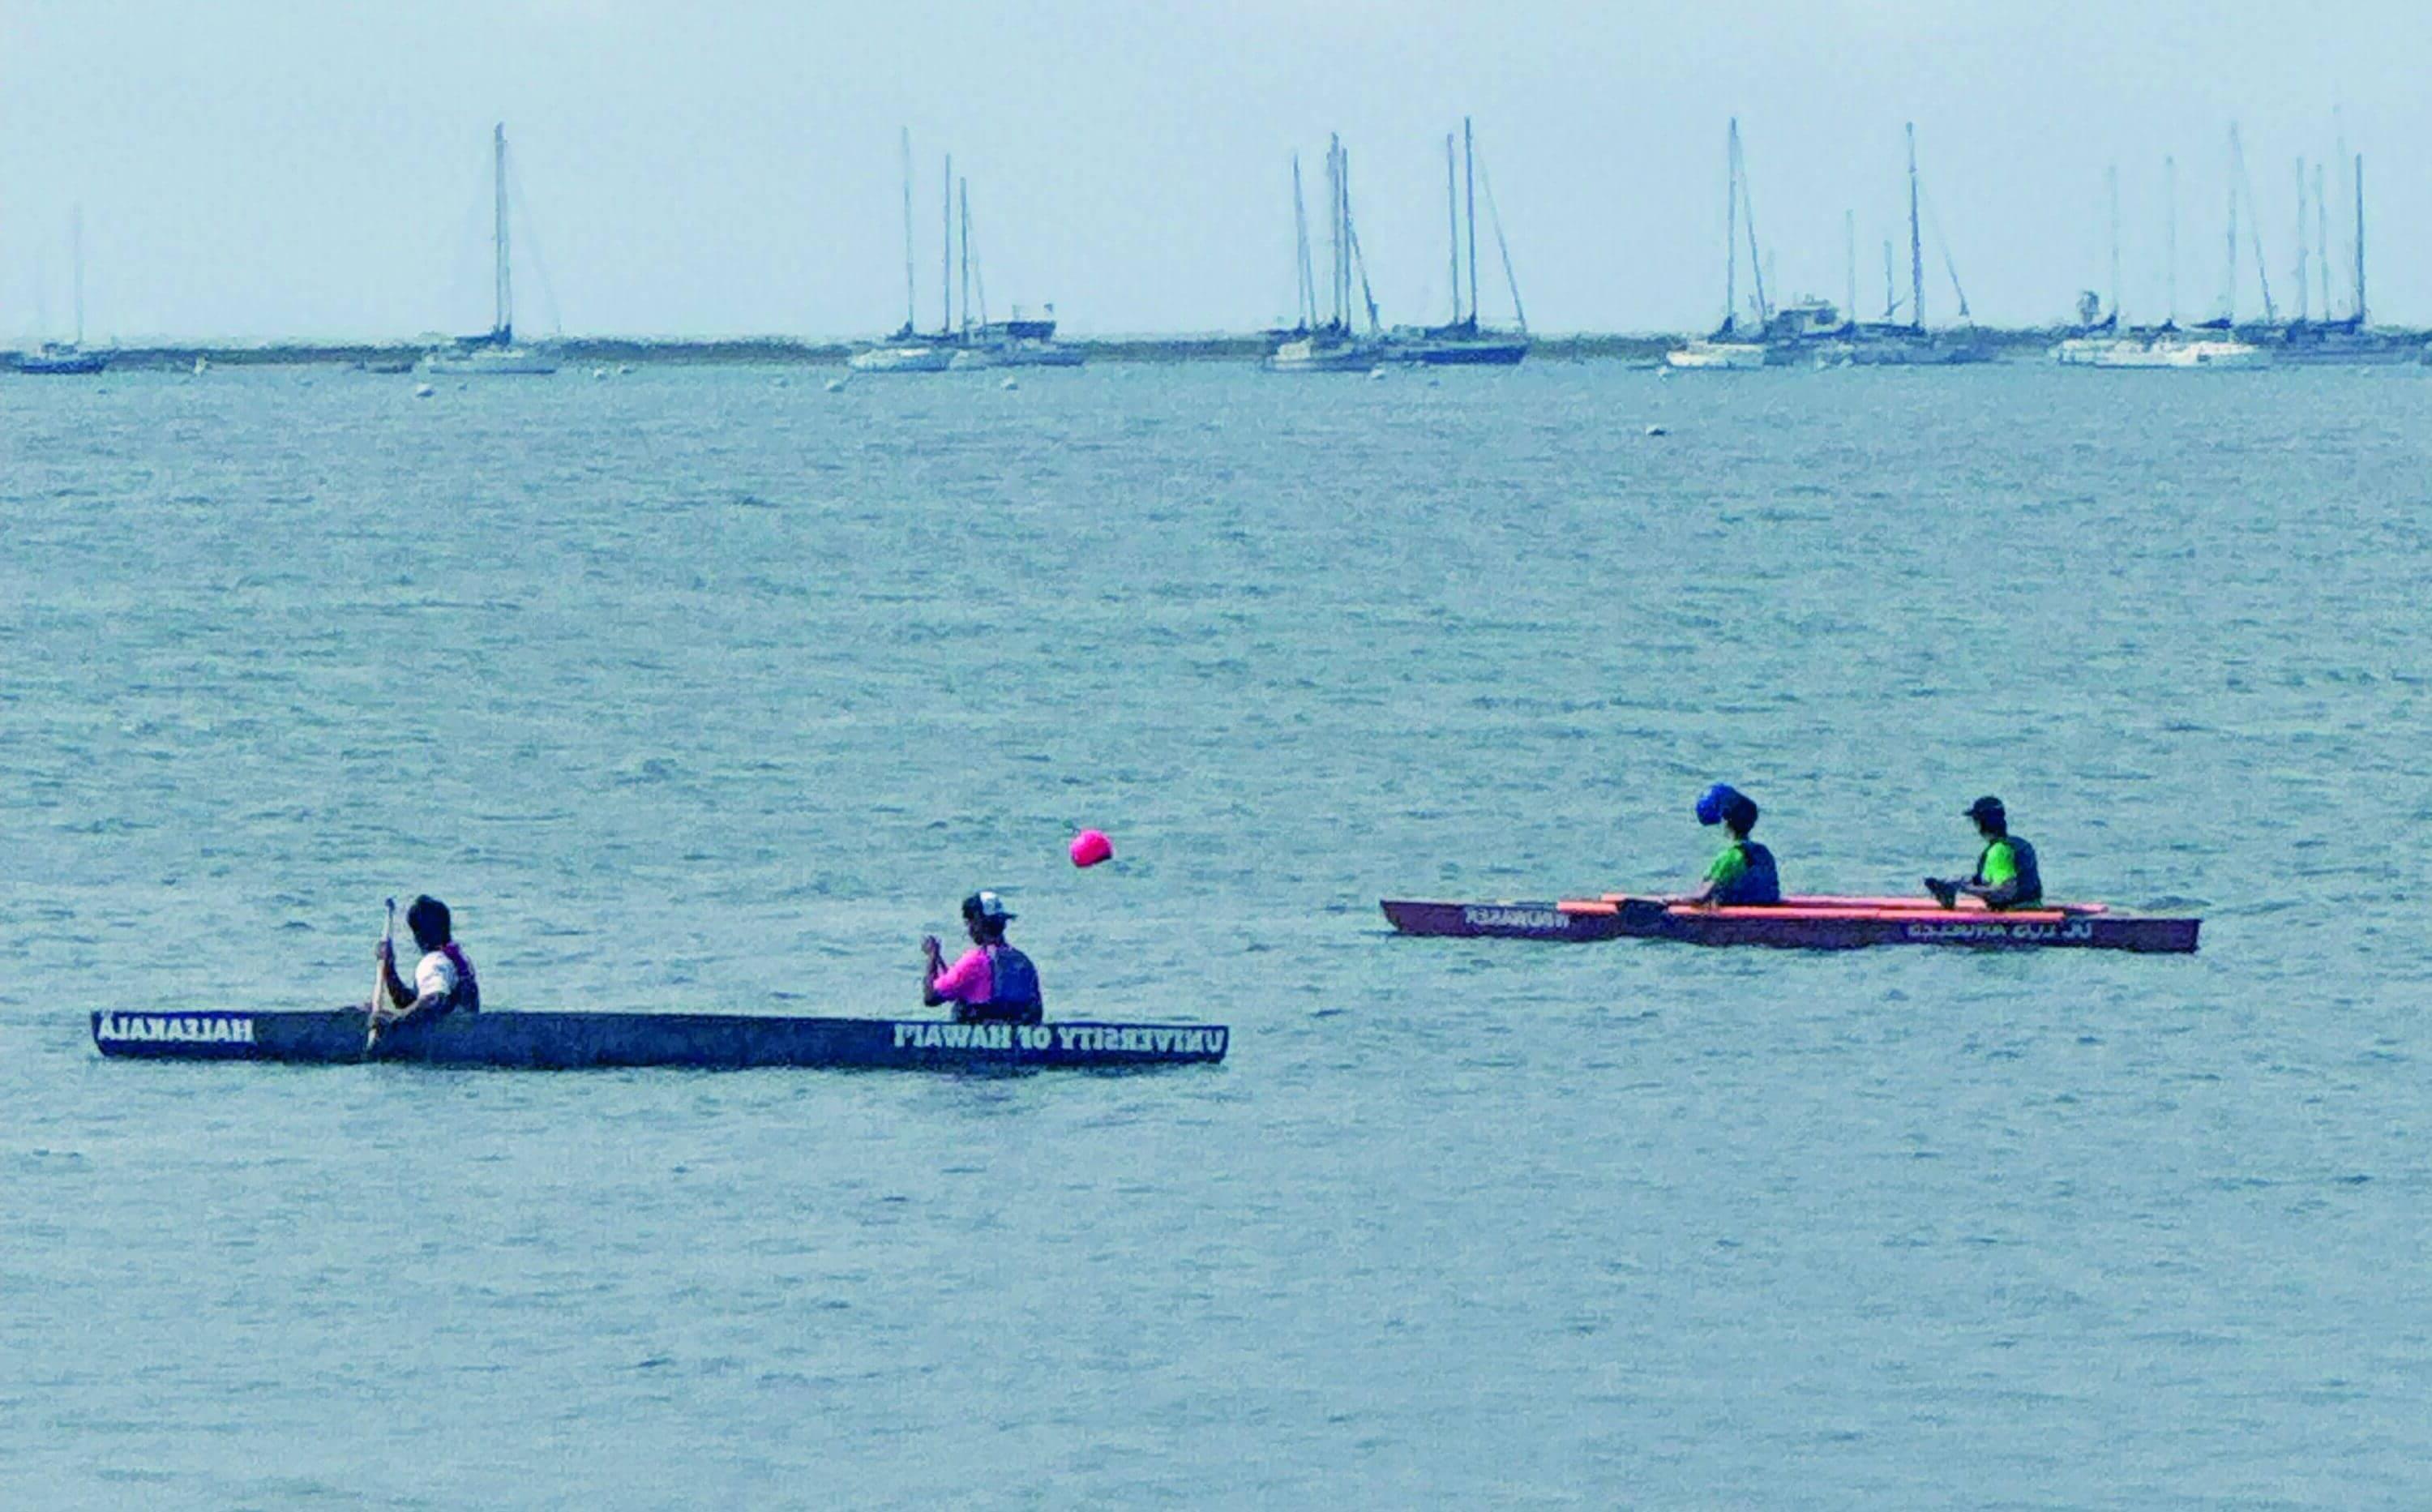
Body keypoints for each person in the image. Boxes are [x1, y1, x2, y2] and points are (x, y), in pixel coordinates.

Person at [922, 890, 1044, 1025]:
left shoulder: (975, 961)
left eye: (968, 923)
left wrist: (932, 957)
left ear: (977, 924)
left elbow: (931, 997)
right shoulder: (1023, 962)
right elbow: (1036, 1010)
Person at [373, 894, 481, 1027]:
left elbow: (433, 1000)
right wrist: (389, 970)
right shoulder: (456, 960)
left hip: (446, 1037)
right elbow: (412, 1003)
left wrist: (395, 1019)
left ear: (418, 936)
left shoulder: (434, 962)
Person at [1926, 795, 2043, 910]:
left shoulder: (1999, 851)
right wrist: (1956, 882)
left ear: (1981, 823)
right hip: (2031, 907)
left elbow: (2005, 892)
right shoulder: (2018, 845)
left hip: (2015, 913)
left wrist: (1964, 888)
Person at [1679, 784, 1781, 906]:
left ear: (1727, 823)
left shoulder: (1730, 857)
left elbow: (1701, 897)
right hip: (1766, 913)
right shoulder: (1762, 852)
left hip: (1740, 920)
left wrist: (1674, 901)